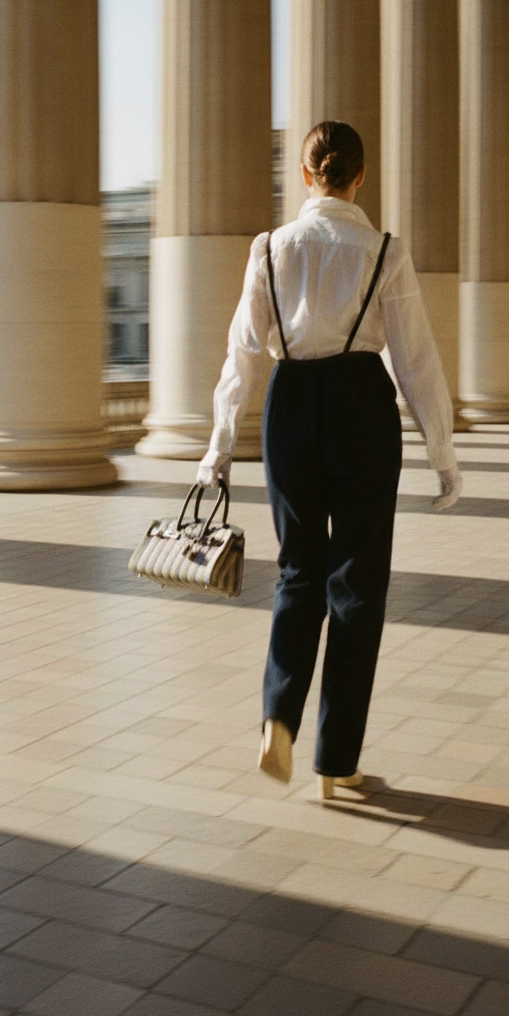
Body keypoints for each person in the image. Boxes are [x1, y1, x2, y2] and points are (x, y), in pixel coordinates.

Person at [197, 120, 461, 800]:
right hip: (362, 405)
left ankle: (277, 717)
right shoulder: (383, 251)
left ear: (308, 176)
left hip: (291, 409)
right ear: (360, 177)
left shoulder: (269, 248)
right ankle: (336, 762)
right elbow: (416, 359)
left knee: (298, 572)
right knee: (358, 581)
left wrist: (220, 446)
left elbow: (243, 353)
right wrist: (442, 452)